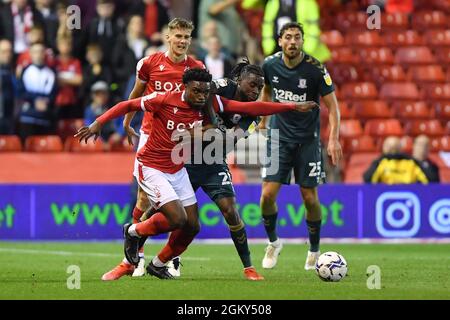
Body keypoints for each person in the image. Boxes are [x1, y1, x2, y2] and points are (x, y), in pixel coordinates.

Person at [74, 68, 319, 280]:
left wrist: (292, 106)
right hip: (171, 163)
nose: (202, 96)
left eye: (205, 92)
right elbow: (128, 104)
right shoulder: (174, 97)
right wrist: (99, 123)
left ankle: (161, 264)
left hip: (204, 164)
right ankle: (132, 244)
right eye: (198, 92)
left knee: (199, 222)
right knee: (170, 216)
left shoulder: (217, 104)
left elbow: (250, 108)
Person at [142, 59, 267, 280]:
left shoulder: (253, 114)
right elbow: (201, 93)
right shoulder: (221, 86)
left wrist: (211, 129)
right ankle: (135, 248)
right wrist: (209, 125)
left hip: (213, 161)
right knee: (158, 208)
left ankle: (249, 267)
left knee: (230, 210)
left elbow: (231, 139)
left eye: (260, 87)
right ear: (239, 80)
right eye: (252, 85)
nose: (256, 91)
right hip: (186, 159)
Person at [102, 18, 205, 280]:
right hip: (151, 135)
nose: (182, 41)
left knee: (180, 206)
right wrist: (126, 123)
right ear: (167, 36)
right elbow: (135, 95)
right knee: (144, 199)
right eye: (178, 35)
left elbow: (205, 103)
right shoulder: (149, 63)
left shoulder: (197, 68)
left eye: (186, 37)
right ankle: (133, 258)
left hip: (183, 140)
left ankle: (169, 257)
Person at [257, 22, 342, 271]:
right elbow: (266, 91)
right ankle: (273, 243)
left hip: (308, 141)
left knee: (309, 197)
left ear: (303, 41)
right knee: (266, 197)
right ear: (280, 41)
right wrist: (263, 119)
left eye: (297, 37)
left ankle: (314, 249)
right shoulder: (270, 64)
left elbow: (333, 107)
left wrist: (334, 138)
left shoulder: (316, 69)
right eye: (288, 37)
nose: (293, 42)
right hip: (278, 138)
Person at [242, 0, 330, 62]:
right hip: (277, 50)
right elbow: (247, 4)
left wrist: (308, 48)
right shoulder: (273, 3)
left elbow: (313, 26)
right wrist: (268, 46)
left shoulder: (307, 3)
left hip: (303, 51)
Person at [363, 136, 429, 184]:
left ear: (385, 149)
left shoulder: (381, 163)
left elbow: (369, 181)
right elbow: (428, 182)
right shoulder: (412, 162)